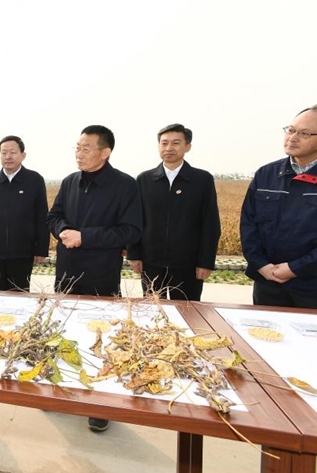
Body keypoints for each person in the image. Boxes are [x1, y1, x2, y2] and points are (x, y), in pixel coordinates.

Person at [46, 125, 142, 433]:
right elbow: (54, 215)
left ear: (105, 152)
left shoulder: (124, 185)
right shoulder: (70, 182)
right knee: (63, 335)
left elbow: (130, 231)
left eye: (86, 148)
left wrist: (84, 236)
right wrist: (61, 230)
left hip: (101, 275)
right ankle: (64, 393)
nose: (79, 153)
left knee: (99, 341)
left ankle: (100, 404)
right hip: (66, 273)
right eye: (77, 147)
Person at [127, 124, 221, 301]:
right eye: (164, 143)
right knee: (153, 311)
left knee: (187, 312)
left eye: (176, 143)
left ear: (187, 147)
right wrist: (134, 254)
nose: (169, 148)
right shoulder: (144, 179)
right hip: (151, 262)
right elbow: (136, 220)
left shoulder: (202, 180)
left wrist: (205, 262)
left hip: (188, 264)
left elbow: (210, 223)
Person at [240, 105, 317, 308]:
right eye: (291, 130)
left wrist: (294, 268)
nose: (293, 137)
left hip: (311, 287)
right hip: (268, 283)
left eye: (304, 133)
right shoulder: (266, 174)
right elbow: (248, 225)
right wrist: (262, 265)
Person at [0, 135, 50, 291]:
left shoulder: (34, 180)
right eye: (4, 153)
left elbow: (42, 216)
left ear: (23, 155)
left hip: (23, 252)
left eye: (13, 152)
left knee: (20, 294)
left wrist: (41, 249)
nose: (8, 157)